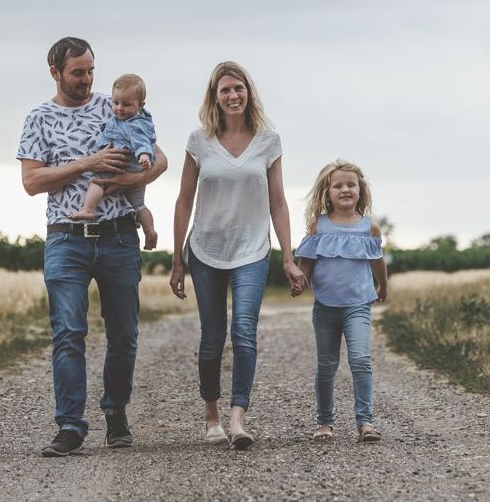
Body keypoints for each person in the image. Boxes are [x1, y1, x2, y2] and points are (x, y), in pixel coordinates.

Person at [18, 37, 167, 457]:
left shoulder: (117, 105)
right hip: (66, 238)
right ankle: (69, 425)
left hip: (119, 235)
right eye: (77, 73)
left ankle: (116, 413)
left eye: (90, 71)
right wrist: (88, 164)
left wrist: (128, 181)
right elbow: (31, 182)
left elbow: (159, 161)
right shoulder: (39, 118)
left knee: (124, 333)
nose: (86, 80)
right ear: (55, 73)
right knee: (68, 331)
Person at [167, 61, 306, 451]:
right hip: (206, 251)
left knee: (244, 331)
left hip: (252, 250)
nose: (233, 95)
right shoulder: (199, 141)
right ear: (215, 96)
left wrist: (288, 258)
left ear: (249, 93)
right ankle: (211, 416)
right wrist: (177, 259)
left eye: (239, 89)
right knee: (212, 337)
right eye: (225, 90)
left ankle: (237, 418)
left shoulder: (268, 140)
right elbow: (183, 202)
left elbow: (278, 202)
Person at [292, 159, 389, 443]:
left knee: (360, 359)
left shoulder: (369, 226)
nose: (345, 189)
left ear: (361, 190)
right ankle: (324, 422)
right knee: (327, 364)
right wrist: (300, 280)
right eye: (338, 186)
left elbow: (377, 260)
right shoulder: (317, 225)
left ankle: (366, 422)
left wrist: (382, 284)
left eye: (351, 185)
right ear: (327, 192)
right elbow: (307, 260)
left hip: (358, 304)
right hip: (325, 306)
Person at [70, 73, 160, 250]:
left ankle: (88, 209)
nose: (119, 108)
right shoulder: (129, 118)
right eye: (115, 103)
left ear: (140, 105)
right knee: (139, 205)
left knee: (97, 181)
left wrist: (144, 156)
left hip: (122, 163)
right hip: (135, 171)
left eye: (126, 105)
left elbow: (142, 142)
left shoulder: (135, 124)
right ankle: (150, 231)